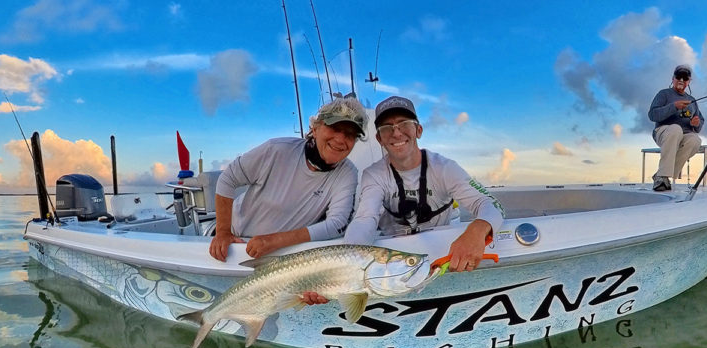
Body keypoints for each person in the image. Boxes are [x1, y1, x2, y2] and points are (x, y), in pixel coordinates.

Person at [343, 96, 505, 273]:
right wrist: (350, 259)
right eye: (387, 127)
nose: (396, 133)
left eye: (404, 123)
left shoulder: (445, 168)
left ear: (418, 130)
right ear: (379, 138)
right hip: (392, 265)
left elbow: (489, 203)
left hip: (442, 257)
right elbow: (365, 219)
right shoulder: (373, 175)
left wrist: (477, 231)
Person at [207, 95, 368, 262]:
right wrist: (223, 233)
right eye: (334, 128)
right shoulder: (277, 150)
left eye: (350, 134)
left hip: (284, 255)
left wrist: (275, 241)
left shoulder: (348, 173)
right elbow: (228, 178)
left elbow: (337, 224)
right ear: (315, 129)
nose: (340, 139)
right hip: (236, 244)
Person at [647, 64, 704, 192]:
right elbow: (652, 115)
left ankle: (661, 175)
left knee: (695, 140)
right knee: (675, 129)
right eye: (679, 77)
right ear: (673, 78)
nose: (681, 80)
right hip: (663, 132)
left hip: (685, 135)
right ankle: (662, 176)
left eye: (685, 78)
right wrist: (674, 106)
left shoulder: (692, 100)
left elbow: (700, 122)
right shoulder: (663, 94)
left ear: (689, 81)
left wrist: (696, 123)